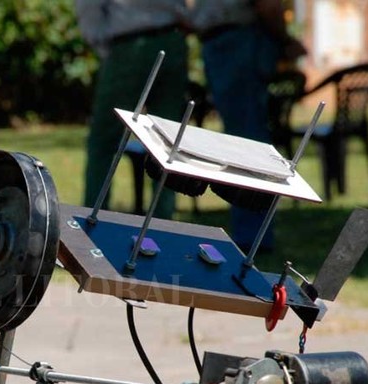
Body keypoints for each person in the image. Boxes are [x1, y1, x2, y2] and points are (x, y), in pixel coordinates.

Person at [191, 0, 306, 252]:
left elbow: (267, 6)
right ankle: (252, 233)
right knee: (244, 139)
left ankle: (253, 235)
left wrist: (285, 40)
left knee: (246, 142)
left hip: (236, 42)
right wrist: (286, 40)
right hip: (230, 42)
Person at [75, 0, 189, 220]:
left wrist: (102, 44)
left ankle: (93, 216)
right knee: (168, 142)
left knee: (105, 141)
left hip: (129, 44)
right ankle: (164, 221)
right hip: (170, 38)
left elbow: (88, 7)